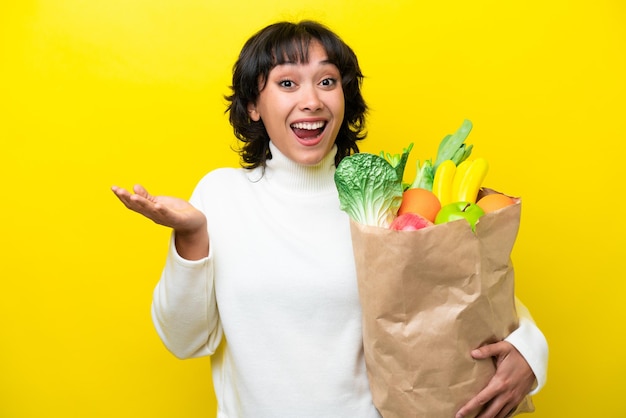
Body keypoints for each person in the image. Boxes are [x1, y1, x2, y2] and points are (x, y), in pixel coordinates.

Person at [112, 20, 548, 418]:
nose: (312, 101)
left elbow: (464, 293)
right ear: (252, 107)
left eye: (327, 81)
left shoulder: (382, 200)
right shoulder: (221, 196)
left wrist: (531, 351)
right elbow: (185, 340)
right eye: (287, 83)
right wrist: (191, 238)